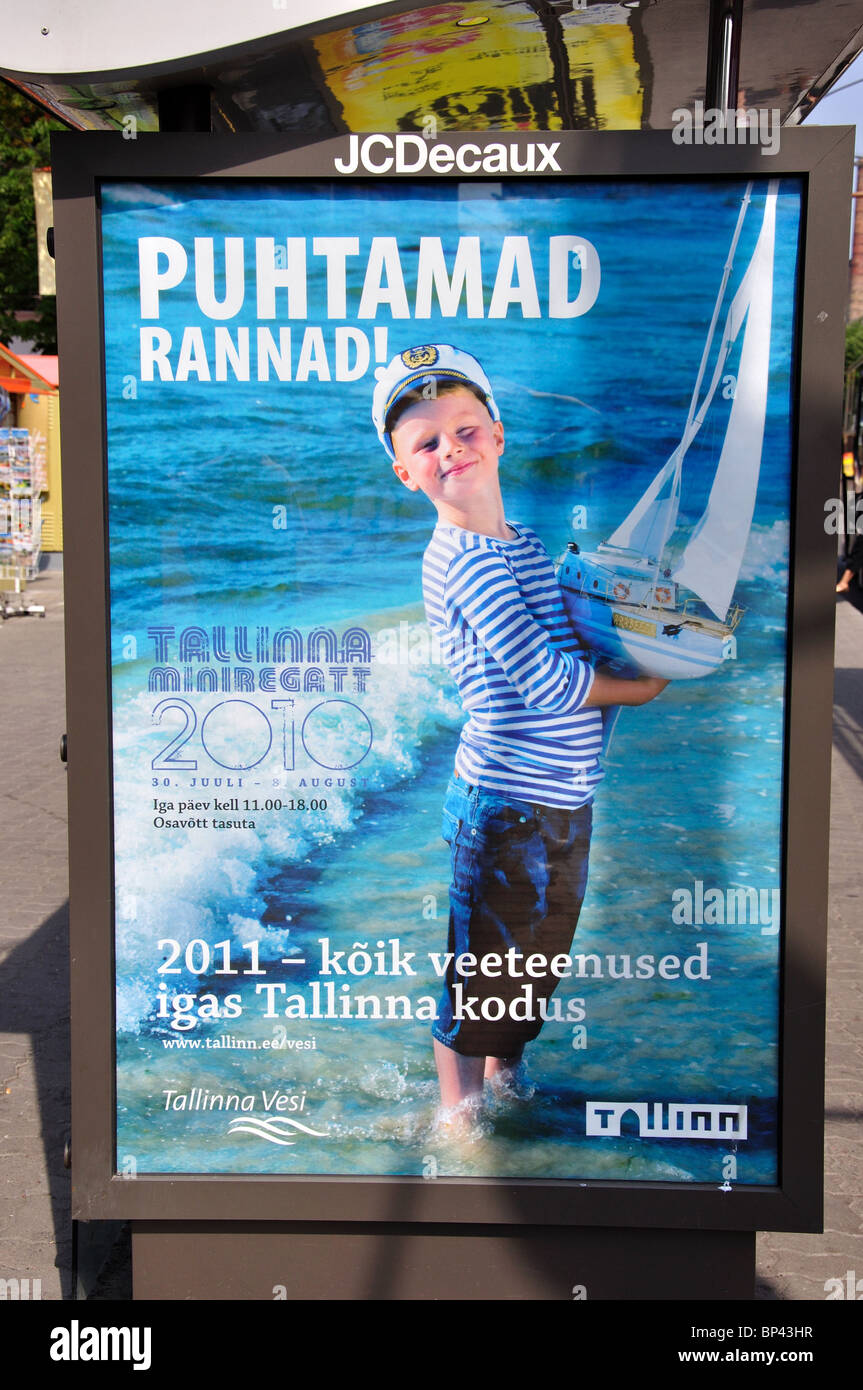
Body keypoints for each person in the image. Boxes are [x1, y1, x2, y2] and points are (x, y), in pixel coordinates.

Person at [372, 344, 668, 1119]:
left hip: (563, 799)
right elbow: (543, 680)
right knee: (480, 974)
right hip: (504, 803)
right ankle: (457, 1115)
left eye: (465, 430)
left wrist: (642, 622)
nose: (451, 450)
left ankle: (505, 1082)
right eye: (426, 444)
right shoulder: (462, 559)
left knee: (531, 967)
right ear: (406, 473)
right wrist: (639, 688)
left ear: (498, 436)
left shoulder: (525, 543)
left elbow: (579, 631)